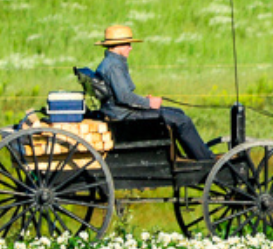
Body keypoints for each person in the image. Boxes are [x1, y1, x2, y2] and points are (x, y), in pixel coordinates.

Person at [91, 24, 213, 161]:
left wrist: (144, 101)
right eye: (128, 44)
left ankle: (183, 156)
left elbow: (120, 95)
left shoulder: (111, 62)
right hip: (125, 116)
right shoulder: (114, 66)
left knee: (178, 112)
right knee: (182, 121)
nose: (130, 48)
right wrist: (149, 103)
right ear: (118, 45)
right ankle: (205, 160)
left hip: (120, 112)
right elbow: (124, 97)